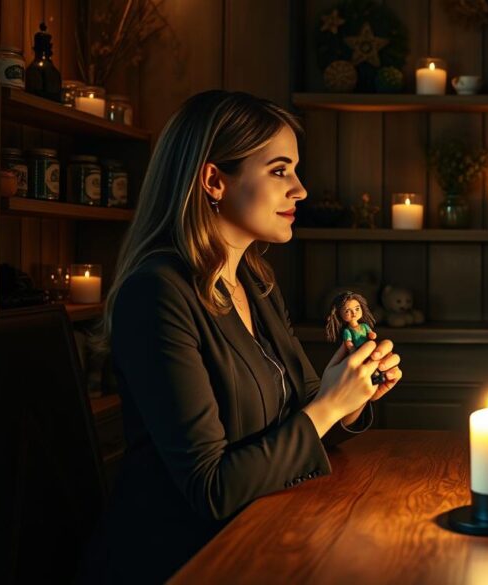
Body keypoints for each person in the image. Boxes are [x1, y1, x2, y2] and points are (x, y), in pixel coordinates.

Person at [81, 90, 403, 583]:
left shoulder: (254, 282)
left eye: (294, 170)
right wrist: (330, 406)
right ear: (213, 179)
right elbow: (211, 489)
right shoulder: (156, 294)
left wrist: (351, 392)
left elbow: (304, 426)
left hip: (263, 536)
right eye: (279, 171)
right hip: (184, 561)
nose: (300, 190)